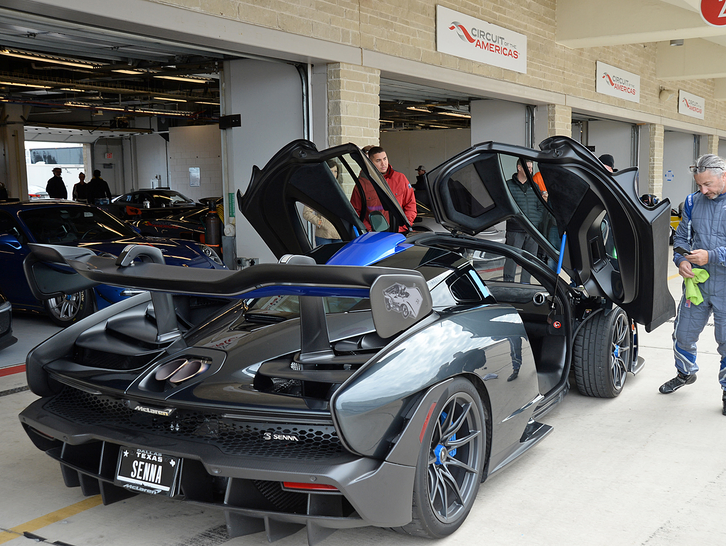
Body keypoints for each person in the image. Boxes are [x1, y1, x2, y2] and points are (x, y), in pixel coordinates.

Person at [659, 154, 726, 415]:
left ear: (724, 176)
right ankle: (685, 373)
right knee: (683, 335)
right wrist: (680, 260)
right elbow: (681, 239)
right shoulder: (690, 202)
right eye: (699, 185)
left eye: (708, 184)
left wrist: (711, 256)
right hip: (696, 284)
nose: (703, 190)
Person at [351, 146, 416, 232]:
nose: (383, 163)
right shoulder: (362, 184)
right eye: (378, 161)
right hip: (375, 235)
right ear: (370, 162)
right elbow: (355, 211)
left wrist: (403, 226)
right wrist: (369, 229)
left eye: (385, 159)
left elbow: (410, 204)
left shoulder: (400, 178)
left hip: (399, 232)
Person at [503, 159, 544, 283]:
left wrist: (535, 223)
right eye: (528, 168)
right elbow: (505, 207)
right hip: (515, 230)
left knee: (530, 260)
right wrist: (515, 220)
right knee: (511, 259)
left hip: (532, 231)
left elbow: (541, 206)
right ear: (519, 168)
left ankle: (525, 284)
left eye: (531, 168)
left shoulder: (534, 186)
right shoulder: (508, 185)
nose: (531, 170)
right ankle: (508, 284)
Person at [303, 160, 343, 246]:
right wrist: (320, 223)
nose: (333, 174)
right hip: (324, 234)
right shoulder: (317, 190)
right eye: (330, 171)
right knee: (325, 258)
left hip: (340, 233)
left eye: (335, 171)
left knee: (339, 259)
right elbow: (306, 213)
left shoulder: (340, 190)